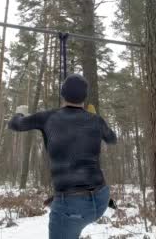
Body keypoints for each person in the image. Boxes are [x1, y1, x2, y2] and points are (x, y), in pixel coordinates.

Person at [9, 73, 117, 239]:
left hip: (72, 208)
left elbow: (15, 125)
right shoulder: (95, 120)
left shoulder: (48, 117)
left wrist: (19, 113)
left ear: (62, 94)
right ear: (84, 97)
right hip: (102, 199)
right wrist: (95, 117)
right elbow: (112, 139)